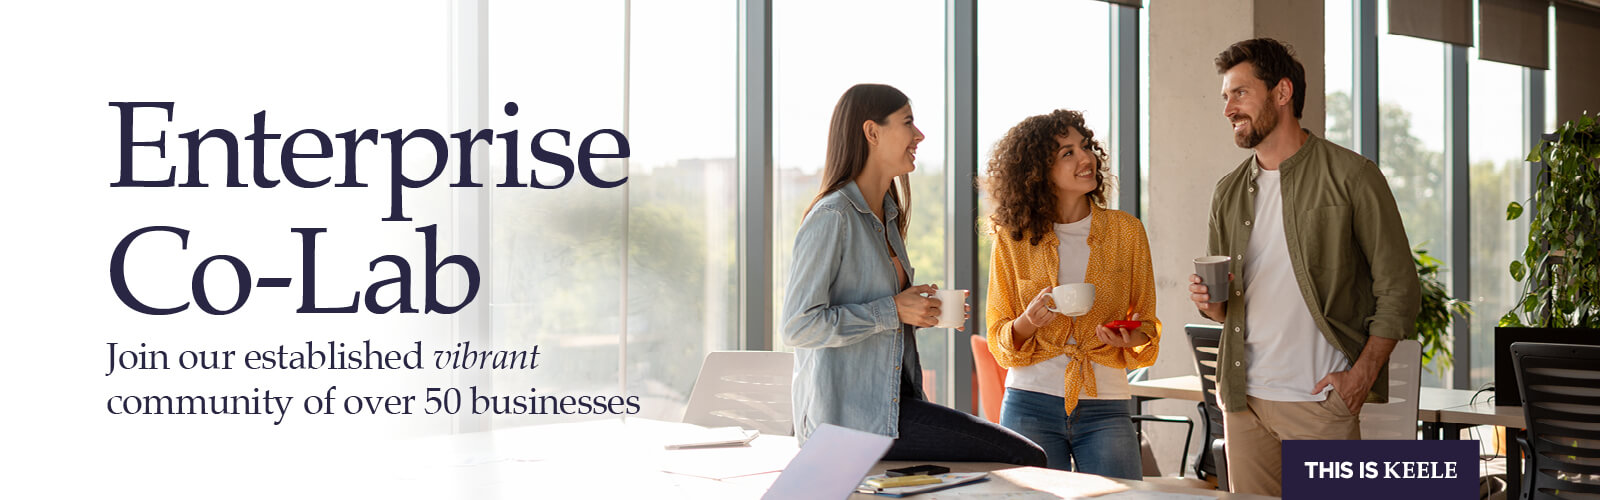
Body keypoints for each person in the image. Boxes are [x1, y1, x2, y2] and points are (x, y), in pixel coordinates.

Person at [1188, 38, 1421, 496]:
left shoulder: (1352, 176)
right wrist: (1210, 304)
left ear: (1282, 92)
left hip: (1321, 404)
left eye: (1240, 93)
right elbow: (1226, 306)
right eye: (1225, 97)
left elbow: (1399, 288)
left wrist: (1360, 378)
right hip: (1244, 404)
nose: (1228, 109)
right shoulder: (1227, 192)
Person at [782, 83, 1046, 466]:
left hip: (892, 407)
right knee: (1025, 456)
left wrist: (918, 311)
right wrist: (893, 310)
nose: (919, 135)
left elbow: (880, 314)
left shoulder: (888, 216)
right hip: (851, 422)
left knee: (1013, 458)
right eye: (908, 122)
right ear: (872, 132)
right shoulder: (833, 216)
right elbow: (798, 326)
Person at [983, 109, 1161, 478]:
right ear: (1038, 171)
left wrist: (1129, 337)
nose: (1086, 158)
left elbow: (1146, 324)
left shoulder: (1127, 231)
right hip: (1029, 402)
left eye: (1085, 146)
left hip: (1106, 403)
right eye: (1068, 153)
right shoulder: (1012, 239)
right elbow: (999, 335)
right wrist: (1028, 322)